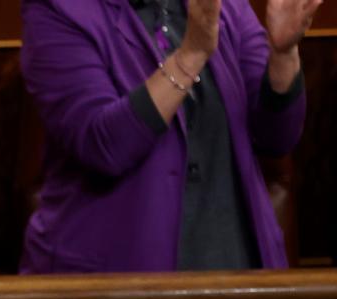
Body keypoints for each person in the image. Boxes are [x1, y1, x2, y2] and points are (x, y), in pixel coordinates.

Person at [19, 0, 321, 274]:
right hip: (114, 280)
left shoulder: (225, 6)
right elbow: (103, 144)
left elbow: (277, 136)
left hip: (233, 267)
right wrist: (191, 55)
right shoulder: (59, 9)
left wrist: (283, 54)